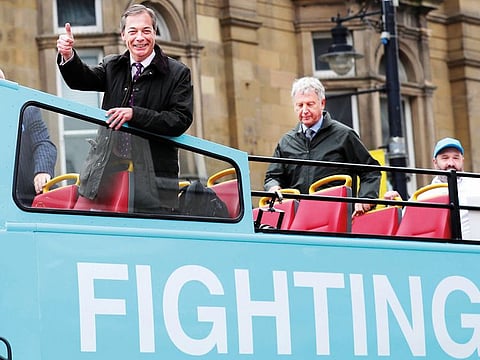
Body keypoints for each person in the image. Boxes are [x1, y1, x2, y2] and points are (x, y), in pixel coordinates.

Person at [56, 4, 193, 214]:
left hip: (153, 179)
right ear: (123, 35)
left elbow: (180, 119)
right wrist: (68, 56)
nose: (140, 37)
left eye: (146, 31)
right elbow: (82, 80)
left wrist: (134, 114)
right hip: (104, 173)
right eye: (133, 31)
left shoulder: (178, 73)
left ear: (155, 33)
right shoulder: (113, 65)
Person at [264, 76, 381, 216]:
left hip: (336, 217)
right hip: (298, 218)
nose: (304, 110)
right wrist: (273, 188)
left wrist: (365, 199)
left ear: (322, 103)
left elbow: (370, 171)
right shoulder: (286, 142)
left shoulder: (344, 135)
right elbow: (272, 176)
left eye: (310, 104)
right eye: (300, 105)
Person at [384, 137, 480, 239]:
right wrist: (395, 206)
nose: (451, 163)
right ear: (435, 162)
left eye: (456, 158)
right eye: (445, 158)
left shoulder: (477, 185)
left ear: (462, 160)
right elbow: (404, 228)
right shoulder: (422, 196)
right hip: (440, 251)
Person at [0, 68, 57, 206]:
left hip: (28, 201)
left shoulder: (26, 110)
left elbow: (43, 143)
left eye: (2, 82)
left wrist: (42, 171)